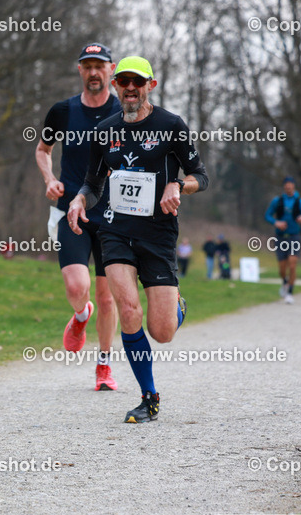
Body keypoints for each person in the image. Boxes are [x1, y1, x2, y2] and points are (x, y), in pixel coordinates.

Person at [68, 55, 208, 424]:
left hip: (158, 234)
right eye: (124, 82)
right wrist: (80, 199)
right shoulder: (106, 131)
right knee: (128, 309)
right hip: (115, 230)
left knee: (161, 332)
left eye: (138, 82)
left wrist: (178, 185)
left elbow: (200, 175)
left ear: (151, 86)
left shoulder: (171, 125)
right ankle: (148, 396)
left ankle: (176, 303)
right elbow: (94, 182)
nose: (130, 89)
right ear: (115, 86)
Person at [35, 42, 120, 391]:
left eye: (100, 65)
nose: (94, 72)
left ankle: (104, 367)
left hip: (114, 215)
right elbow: (43, 150)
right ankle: (80, 315)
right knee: (77, 286)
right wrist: (50, 179)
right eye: (87, 66)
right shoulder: (63, 111)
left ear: (111, 70)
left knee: (107, 296)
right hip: (72, 209)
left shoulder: (125, 110)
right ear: (80, 71)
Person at [264, 177, 301, 304]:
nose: (288, 187)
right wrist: (276, 222)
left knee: (293, 264)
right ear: (284, 187)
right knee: (282, 268)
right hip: (281, 237)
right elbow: (267, 215)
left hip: (294, 236)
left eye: (290, 185)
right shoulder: (277, 201)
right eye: (286, 185)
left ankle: (290, 292)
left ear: (294, 186)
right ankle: (285, 282)